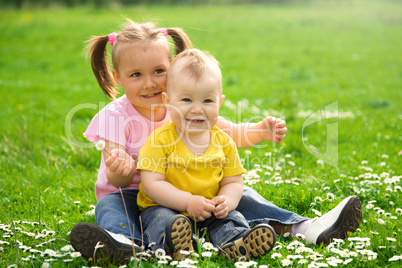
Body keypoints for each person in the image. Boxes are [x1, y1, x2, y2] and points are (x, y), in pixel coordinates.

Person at [70, 19, 362, 263]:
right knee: (110, 206)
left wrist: (261, 131)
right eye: (136, 75)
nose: (149, 82)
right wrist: (120, 167)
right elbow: (117, 177)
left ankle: (306, 228)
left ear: (171, 66)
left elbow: (228, 132)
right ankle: (123, 244)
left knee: (240, 196)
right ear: (117, 76)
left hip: (197, 190)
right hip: (136, 196)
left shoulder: (187, 106)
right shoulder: (115, 116)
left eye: (158, 71)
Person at [136, 48, 276, 261]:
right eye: (186, 100)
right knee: (162, 220)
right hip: (164, 208)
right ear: (167, 100)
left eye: (207, 101)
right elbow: (152, 184)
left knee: (232, 217)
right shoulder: (159, 140)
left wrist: (226, 201)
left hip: (209, 209)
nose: (197, 109)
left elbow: (234, 182)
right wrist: (187, 202)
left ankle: (236, 243)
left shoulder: (224, 142)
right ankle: (177, 246)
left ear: (219, 102)